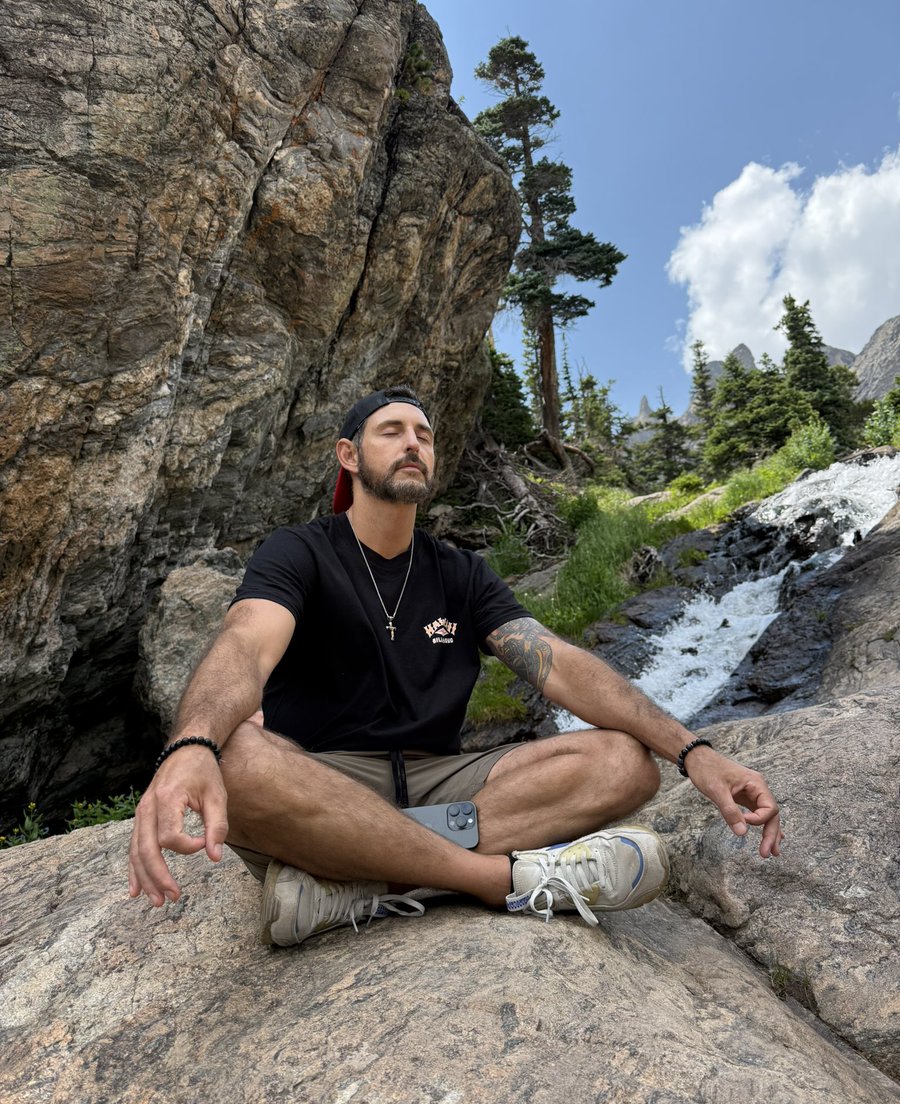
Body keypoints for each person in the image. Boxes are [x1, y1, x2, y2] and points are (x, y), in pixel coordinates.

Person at [128, 385, 783, 946]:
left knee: (625, 763)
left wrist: (694, 752)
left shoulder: (461, 572)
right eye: (392, 431)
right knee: (235, 754)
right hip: (318, 780)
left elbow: (560, 666)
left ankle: (356, 888)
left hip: (443, 780)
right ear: (349, 456)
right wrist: (190, 744)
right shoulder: (299, 552)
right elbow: (247, 642)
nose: (413, 442)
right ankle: (500, 881)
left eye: (425, 434)